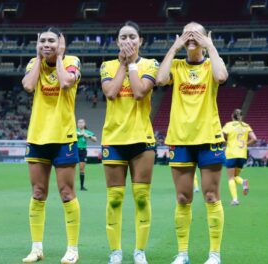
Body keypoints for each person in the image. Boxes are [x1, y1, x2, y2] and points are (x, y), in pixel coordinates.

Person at [156, 21, 228, 264]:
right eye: (188, 33)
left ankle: (214, 254)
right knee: (183, 198)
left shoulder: (210, 65)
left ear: (206, 37)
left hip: (209, 138)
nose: (192, 37)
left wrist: (210, 45)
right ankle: (183, 253)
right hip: (180, 139)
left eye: (197, 33)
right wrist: (174, 48)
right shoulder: (176, 66)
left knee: (210, 195)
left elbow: (222, 76)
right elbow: (160, 79)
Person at [21, 27, 82, 264]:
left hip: (63, 137)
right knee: (38, 193)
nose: (47, 44)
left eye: (51, 41)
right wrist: (38, 58)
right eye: (43, 41)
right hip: (37, 137)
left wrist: (58, 57)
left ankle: (73, 249)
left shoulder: (71, 61)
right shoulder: (32, 63)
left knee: (67, 193)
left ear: (61, 43)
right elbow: (28, 85)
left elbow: (66, 82)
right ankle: (37, 248)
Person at [100, 21, 158, 264]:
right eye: (123, 37)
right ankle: (116, 252)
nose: (127, 41)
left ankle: (139, 251)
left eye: (132, 37)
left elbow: (139, 92)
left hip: (142, 139)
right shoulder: (107, 65)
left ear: (140, 40)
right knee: (114, 198)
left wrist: (132, 63)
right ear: (116, 41)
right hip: (113, 138)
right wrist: (123, 65)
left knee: (142, 196)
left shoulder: (150, 64)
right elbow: (111, 92)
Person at [222, 109, 257, 206]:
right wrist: (246, 144)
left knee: (230, 178)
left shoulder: (229, 125)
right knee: (235, 176)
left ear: (232, 116)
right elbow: (254, 139)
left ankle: (235, 199)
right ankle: (243, 182)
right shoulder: (246, 126)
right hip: (242, 154)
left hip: (231, 154)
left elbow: (221, 136)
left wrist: (226, 142)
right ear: (241, 116)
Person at [76, 118, 97, 191]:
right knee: (70, 168)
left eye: (82, 122)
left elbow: (95, 139)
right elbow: (72, 135)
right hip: (75, 150)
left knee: (81, 169)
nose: (80, 124)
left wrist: (88, 136)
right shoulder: (75, 131)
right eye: (79, 122)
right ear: (77, 124)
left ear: (84, 124)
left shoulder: (87, 132)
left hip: (83, 151)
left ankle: (82, 187)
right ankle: (69, 186)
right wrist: (80, 134)